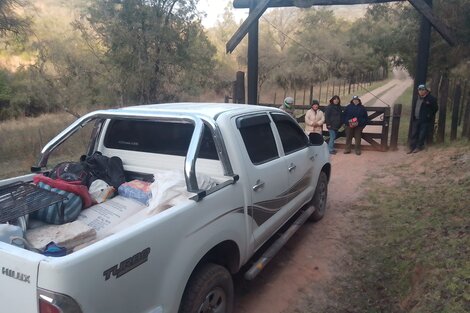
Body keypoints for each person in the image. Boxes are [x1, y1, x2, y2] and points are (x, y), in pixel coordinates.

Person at [407, 84, 438, 154]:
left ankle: (419, 147)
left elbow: (435, 108)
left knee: (422, 134)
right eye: (419, 90)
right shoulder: (416, 98)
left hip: (424, 120)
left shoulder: (431, 98)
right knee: (414, 133)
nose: (421, 91)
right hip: (416, 119)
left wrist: (429, 115)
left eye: (422, 89)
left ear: (426, 90)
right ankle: (412, 147)